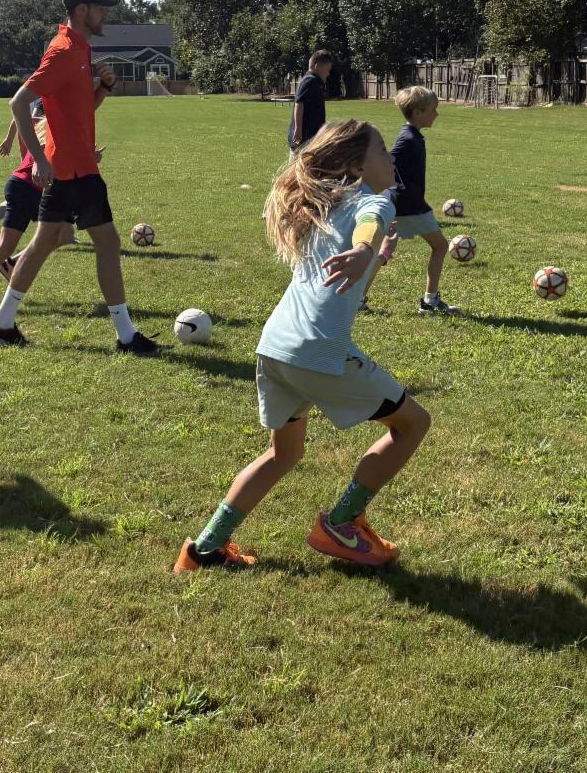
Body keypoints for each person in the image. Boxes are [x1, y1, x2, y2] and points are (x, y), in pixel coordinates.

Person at [174, 119, 431, 572]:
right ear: (357, 166)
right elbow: (369, 225)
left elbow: (346, 272)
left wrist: (372, 258)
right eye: (380, 150)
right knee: (412, 424)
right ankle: (341, 524)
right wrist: (364, 250)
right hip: (317, 351)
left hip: (275, 347)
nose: (391, 157)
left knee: (283, 453)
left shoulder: (324, 209)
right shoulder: (373, 201)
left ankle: (202, 551)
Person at [0, 0, 157, 354]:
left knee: (44, 243)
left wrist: (103, 88)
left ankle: (2, 323)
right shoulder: (63, 51)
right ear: (82, 11)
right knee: (106, 243)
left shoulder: (80, 49)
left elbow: (80, 111)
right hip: (73, 171)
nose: (104, 14)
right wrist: (39, 158)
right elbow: (19, 103)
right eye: (100, 8)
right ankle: (126, 336)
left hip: (74, 168)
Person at [0, 108, 79, 313]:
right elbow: (57, 165)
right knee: (56, 234)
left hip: (22, 186)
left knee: (60, 234)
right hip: (28, 189)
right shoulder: (61, 129)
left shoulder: (51, 124)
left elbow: (27, 120)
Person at [363, 86, 456, 316]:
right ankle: (430, 301)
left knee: (384, 250)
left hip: (398, 202)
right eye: (433, 110)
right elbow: (387, 160)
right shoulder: (408, 139)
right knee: (440, 246)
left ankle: (357, 300)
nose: (436, 114)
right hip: (410, 205)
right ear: (417, 112)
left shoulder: (411, 135)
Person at [288, 50, 334, 154]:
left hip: (311, 136)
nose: (328, 74)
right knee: (299, 161)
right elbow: (299, 103)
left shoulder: (315, 82)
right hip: (303, 137)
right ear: (317, 66)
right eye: (327, 70)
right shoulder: (310, 80)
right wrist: (298, 129)